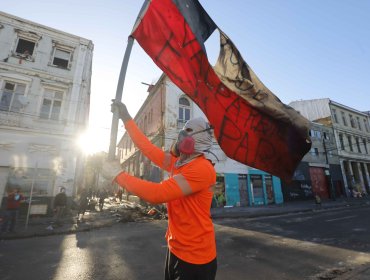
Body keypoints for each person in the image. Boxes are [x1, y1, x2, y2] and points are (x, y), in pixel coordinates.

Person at [107, 100, 217, 280]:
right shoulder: (179, 164)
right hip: (176, 249)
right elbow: (148, 149)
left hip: (196, 258)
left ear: (199, 139)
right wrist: (126, 118)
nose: (180, 137)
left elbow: (157, 194)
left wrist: (118, 175)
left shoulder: (202, 169)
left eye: (187, 133)